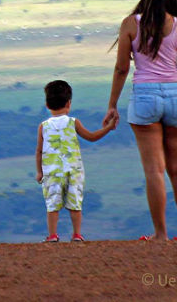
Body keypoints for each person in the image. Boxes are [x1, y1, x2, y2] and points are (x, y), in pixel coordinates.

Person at [103, 0, 177, 241]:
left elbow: (122, 67)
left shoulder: (130, 25)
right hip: (176, 96)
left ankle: (160, 234)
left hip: (144, 96)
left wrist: (112, 105)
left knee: (154, 170)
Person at [36, 79, 115, 242]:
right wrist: (109, 128)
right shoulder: (73, 122)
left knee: (52, 205)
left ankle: (52, 235)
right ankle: (77, 234)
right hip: (74, 171)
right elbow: (92, 137)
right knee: (75, 204)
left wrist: (39, 171)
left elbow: (39, 151)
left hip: (52, 172)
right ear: (69, 103)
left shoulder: (43, 126)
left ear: (47, 104)